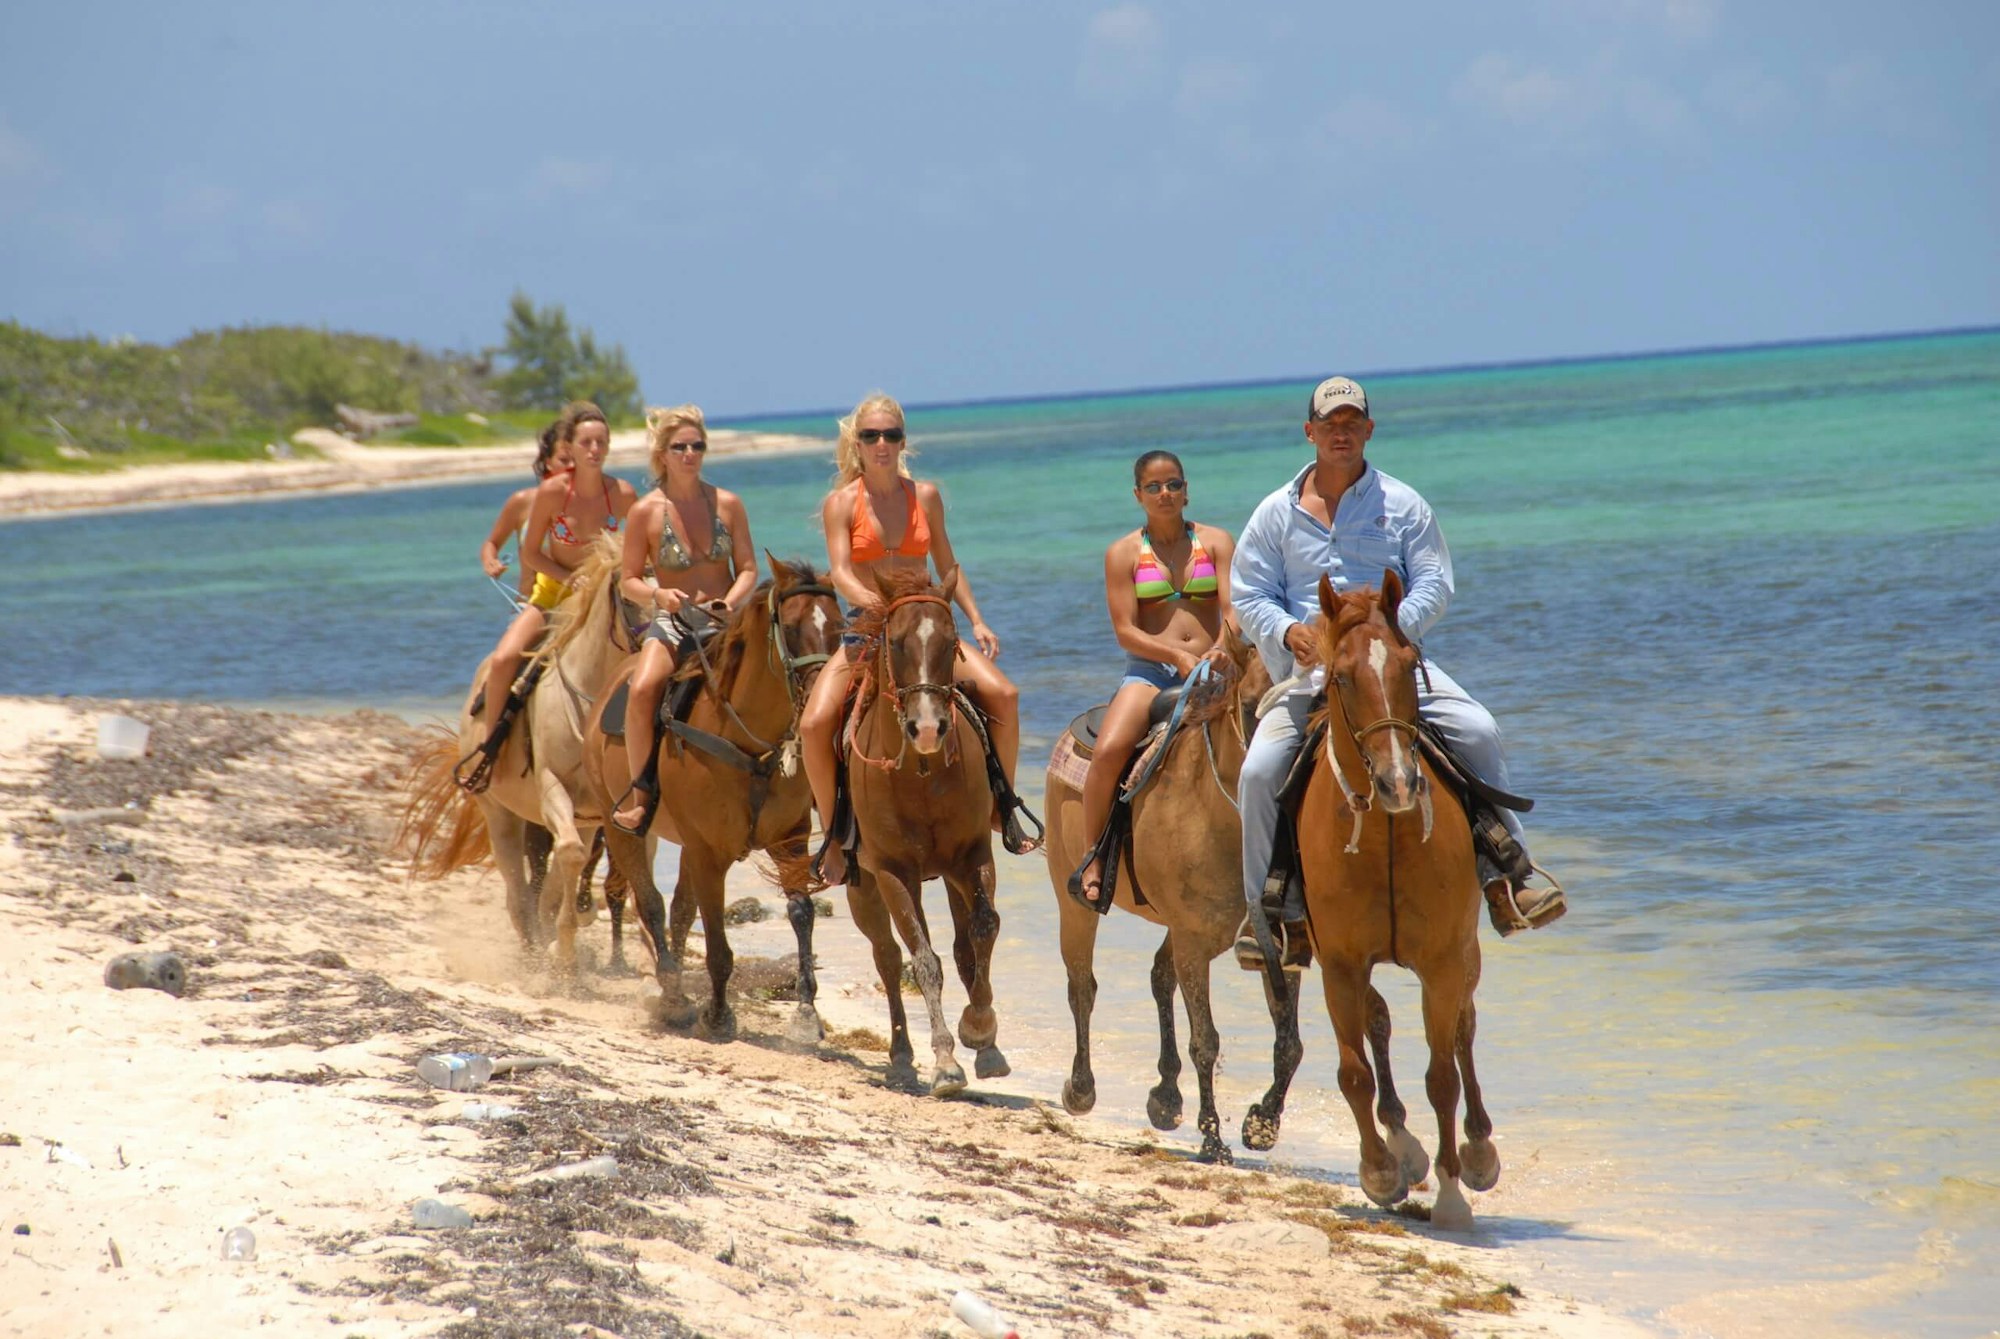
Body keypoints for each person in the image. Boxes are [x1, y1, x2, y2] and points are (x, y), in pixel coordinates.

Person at [1231, 376, 1566, 966]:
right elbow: (1250, 592)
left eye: (1352, 422)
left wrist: (1391, 631)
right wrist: (1289, 631)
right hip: (1312, 677)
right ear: (1310, 432)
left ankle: (1512, 874)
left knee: (1480, 730)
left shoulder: (1404, 504)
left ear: (1369, 429)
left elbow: (1435, 581)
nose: (1341, 433)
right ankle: (1268, 914)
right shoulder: (1272, 515)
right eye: (1330, 424)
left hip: (1393, 667)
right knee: (1259, 773)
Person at [799, 392, 1033, 885]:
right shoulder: (841, 503)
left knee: (1004, 696)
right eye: (871, 436)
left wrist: (977, 618)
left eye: (891, 435)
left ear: (903, 441)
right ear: (857, 443)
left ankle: (1002, 803)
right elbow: (840, 572)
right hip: (867, 630)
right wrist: (877, 606)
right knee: (815, 724)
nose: (882, 444)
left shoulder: (924, 496)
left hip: (925, 627)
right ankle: (834, 835)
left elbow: (947, 564)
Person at [1067, 449, 1237, 907]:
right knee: (1108, 751)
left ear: (1187, 490)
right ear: (1138, 494)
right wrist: (1176, 655)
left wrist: (1221, 647)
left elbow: (1233, 611)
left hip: (1218, 666)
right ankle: (1094, 856)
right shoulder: (1123, 553)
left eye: (1174, 484)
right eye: (1155, 487)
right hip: (1151, 671)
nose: (1165, 494)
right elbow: (1126, 631)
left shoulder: (1217, 542)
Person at [456, 400, 638, 792]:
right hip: (553, 598)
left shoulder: (622, 494)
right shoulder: (552, 494)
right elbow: (530, 552)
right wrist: (568, 579)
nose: (594, 449)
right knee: (505, 658)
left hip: (603, 602)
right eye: (586, 441)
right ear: (570, 447)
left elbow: (644, 546)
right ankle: (489, 749)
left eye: (601, 442)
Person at [609, 404, 759, 834]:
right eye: (680, 447)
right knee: (642, 689)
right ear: (663, 454)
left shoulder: (728, 504)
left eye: (697, 446)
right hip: (675, 623)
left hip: (725, 621)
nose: (690, 454)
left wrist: (730, 600)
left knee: (783, 677)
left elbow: (748, 567)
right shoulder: (645, 512)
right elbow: (628, 581)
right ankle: (641, 796)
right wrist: (660, 595)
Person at [479, 418, 573, 600]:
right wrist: (490, 561)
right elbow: (491, 543)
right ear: (548, 462)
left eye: (576, 460)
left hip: (582, 607)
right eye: (563, 460)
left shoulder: (595, 504)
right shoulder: (523, 502)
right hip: (530, 604)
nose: (571, 467)